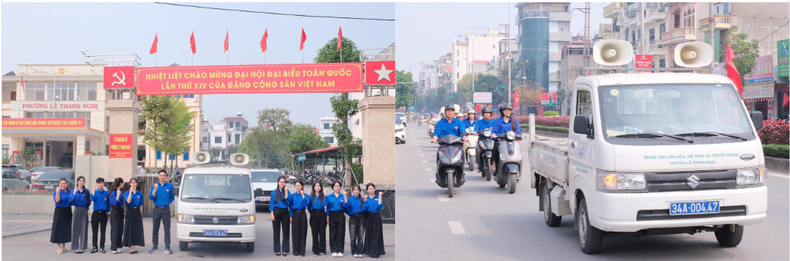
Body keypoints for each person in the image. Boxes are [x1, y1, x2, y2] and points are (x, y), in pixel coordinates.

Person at [432, 104, 468, 182]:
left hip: (457, 145)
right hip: (444, 145)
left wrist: (464, 137)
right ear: (445, 112)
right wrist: (435, 138)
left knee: (462, 155)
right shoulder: (440, 123)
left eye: (451, 111)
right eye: (448, 110)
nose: (450, 112)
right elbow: (436, 132)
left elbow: (463, 131)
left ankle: (462, 174)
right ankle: (438, 174)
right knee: (438, 156)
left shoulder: (459, 122)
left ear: (454, 112)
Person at [491, 104, 524, 173]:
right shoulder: (497, 121)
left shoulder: (514, 121)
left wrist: (520, 135)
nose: (507, 112)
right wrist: (494, 135)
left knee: (518, 153)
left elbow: (518, 131)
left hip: (512, 141)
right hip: (501, 141)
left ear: (511, 111)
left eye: (509, 110)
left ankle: (518, 166)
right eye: (505, 110)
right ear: (502, 111)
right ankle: (494, 166)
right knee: (495, 149)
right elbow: (494, 131)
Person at [149, 170, 175, 254]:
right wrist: (155, 189)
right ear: (158, 177)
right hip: (157, 209)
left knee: (167, 229)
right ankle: (155, 246)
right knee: (155, 229)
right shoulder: (155, 186)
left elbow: (172, 197)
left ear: (166, 176)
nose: (162, 177)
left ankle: (167, 247)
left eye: (164, 175)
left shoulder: (170, 186)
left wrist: (166, 203)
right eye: (161, 175)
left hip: (166, 210)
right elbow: (151, 197)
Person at [325, 181, 348, 257]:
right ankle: (334, 250)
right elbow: (327, 207)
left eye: (339, 186)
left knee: (341, 232)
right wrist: (327, 217)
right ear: (333, 187)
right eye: (336, 186)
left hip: (340, 214)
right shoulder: (329, 197)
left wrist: (345, 196)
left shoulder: (343, 196)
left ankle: (340, 250)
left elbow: (345, 206)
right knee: (333, 232)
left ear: (340, 187)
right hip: (332, 215)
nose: (337, 187)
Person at [362, 183, 385, 258]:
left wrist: (380, 196)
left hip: (376, 216)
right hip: (369, 217)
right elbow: (364, 209)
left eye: (372, 188)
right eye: (369, 189)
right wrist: (365, 200)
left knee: (377, 233)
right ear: (367, 190)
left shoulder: (378, 197)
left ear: (374, 189)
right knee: (370, 234)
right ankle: (371, 251)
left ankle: (377, 252)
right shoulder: (365, 198)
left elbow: (380, 206)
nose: (371, 190)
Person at [122, 178, 144, 254]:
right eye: (132, 183)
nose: (133, 184)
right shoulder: (127, 193)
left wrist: (141, 215)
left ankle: (134, 246)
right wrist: (131, 192)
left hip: (137, 211)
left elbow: (141, 205)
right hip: (130, 211)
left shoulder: (140, 193)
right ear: (130, 184)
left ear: (137, 184)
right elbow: (128, 201)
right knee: (130, 229)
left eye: (135, 183)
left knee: (136, 229)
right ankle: (130, 247)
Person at [51, 178, 73, 254]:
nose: (63, 185)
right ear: (59, 185)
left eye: (64, 183)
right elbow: (57, 200)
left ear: (67, 184)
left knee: (66, 228)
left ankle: (64, 245)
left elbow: (72, 201)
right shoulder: (57, 192)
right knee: (58, 228)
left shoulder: (70, 192)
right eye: (61, 184)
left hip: (67, 211)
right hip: (59, 211)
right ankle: (58, 246)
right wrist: (57, 192)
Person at [70, 176, 91, 254]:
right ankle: (76, 246)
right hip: (76, 209)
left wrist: (86, 209)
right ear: (77, 182)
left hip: (84, 209)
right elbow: (70, 201)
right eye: (80, 181)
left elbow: (89, 202)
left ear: (84, 182)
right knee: (75, 228)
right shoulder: (74, 191)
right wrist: (74, 193)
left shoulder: (86, 191)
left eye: (82, 181)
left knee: (83, 228)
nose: (81, 182)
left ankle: (82, 247)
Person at [270, 177, 290, 256]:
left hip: (285, 212)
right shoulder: (274, 192)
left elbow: (288, 201)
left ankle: (285, 250)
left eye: (284, 182)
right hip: (276, 211)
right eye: (281, 182)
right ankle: (277, 249)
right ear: (278, 182)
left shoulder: (287, 191)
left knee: (286, 231)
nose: (282, 184)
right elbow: (272, 204)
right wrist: (272, 214)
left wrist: (286, 192)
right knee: (276, 231)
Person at [289, 181, 310, 257]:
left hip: (302, 213)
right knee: (295, 232)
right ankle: (296, 250)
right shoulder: (293, 196)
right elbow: (290, 206)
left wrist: (303, 195)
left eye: (299, 185)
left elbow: (306, 205)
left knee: (303, 232)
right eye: (296, 185)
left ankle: (302, 251)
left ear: (302, 186)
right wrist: (290, 216)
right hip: (295, 214)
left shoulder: (306, 196)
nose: (298, 187)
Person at [90, 177, 110, 254]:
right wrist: (93, 189)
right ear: (97, 184)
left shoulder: (106, 193)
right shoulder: (95, 192)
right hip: (96, 213)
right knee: (95, 231)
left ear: (103, 184)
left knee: (103, 231)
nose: (100, 184)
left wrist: (108, 214)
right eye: (98, 183)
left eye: (101, 183)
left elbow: (108, 205)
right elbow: (92, 199)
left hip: (104, 213)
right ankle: (95, 247)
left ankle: (102, 247)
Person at [308, 182, 327, 256]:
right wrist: (312, 213)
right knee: (314, 233)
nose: (317, 187)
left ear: (321, 187)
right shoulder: (311, 196)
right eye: (316, 186)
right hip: (314, 214)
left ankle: (322, 250)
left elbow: (325, 205)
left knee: (322, 232)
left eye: (319, 186)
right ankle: (315, 250)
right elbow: (309, 206)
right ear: (313, 187)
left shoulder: (323, 196)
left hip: (322, 213)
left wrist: (325, 195)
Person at [346, 185, 365, 258]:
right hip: (353, 218)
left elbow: (365, 208)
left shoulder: (362, 199)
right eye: (355, 190)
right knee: (353, 236)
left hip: (361, 218)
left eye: (358, 190)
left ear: (359, 191)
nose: (356, 191)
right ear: (353, 191)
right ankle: (354, 251)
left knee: (360, 236)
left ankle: (360, 251)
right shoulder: (350, 199)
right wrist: (350, 213)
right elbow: (346, 208)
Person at [108, 177, 125, 254]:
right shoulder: (113, 192)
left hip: (120, 210)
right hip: (115, 210)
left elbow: (122, 202)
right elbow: (114, 202)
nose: (123, 184)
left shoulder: (121, 192)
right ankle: (113, 247)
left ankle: (118, 245)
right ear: (120, 183)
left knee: (120, 228)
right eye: (122, 183)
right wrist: (117, 196)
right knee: (115, 229)